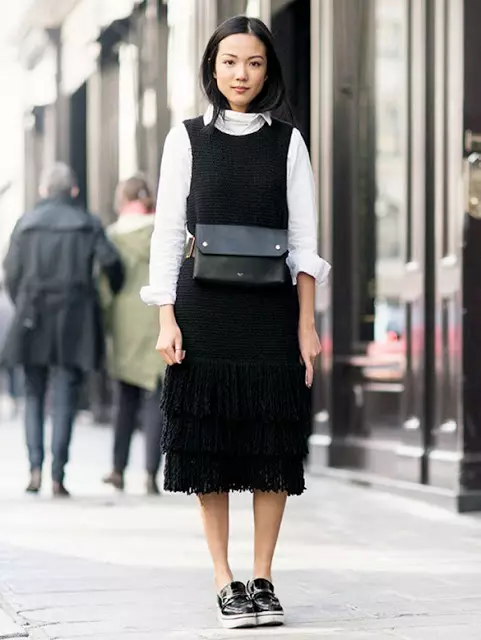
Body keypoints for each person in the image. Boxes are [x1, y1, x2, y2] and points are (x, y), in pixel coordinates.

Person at [141, 16, 331, 629]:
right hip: (204, 313)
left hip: (271, 315)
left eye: (252, 62)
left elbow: (304, 243)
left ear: (268, 68)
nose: (240, 74)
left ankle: (264, 577)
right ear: (212, 67)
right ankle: (224, 580)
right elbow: (169, 235)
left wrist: (307, 326)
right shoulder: (186, 137)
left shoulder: (289, 141)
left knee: (271, 446)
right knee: (209, 447)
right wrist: (166, 316)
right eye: (229, 62)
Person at [2, 163, 124, 497]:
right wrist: (110, 294)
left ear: (43, 191)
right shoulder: (87, 223)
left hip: (34, 315)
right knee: (66, 393)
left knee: (33, 392)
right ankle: (58, 476)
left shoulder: (24, 224)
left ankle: (35, 469)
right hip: (75, 316)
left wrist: (23, 300)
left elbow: (11, 273)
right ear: (73, 191)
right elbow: (112, 263)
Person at [101, 176, 166, 495]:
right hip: (157, 321)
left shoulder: (111, 237)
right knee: (156, 398)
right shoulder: (165, 234)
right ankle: (152, 473)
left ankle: (117, 468)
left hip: (124, 324)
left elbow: (102, 288)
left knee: (124, 400)